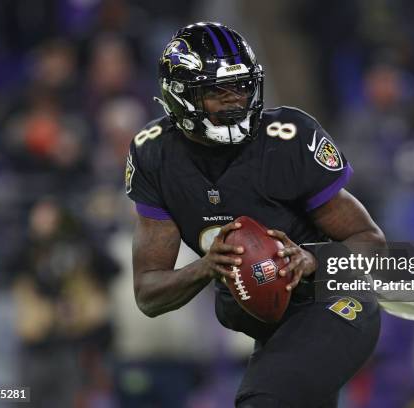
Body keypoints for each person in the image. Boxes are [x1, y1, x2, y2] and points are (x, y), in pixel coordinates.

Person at [125, 22, 385, 407]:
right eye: (217, 90)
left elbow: (372, 244)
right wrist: (207, 267)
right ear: (180, 96)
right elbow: (148, 293)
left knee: (262, 400)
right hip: (275, 326)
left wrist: (312, 259)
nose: (235, 100)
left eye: (243, 86)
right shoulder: (155, 155)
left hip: (335, 302)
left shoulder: (287, 139)